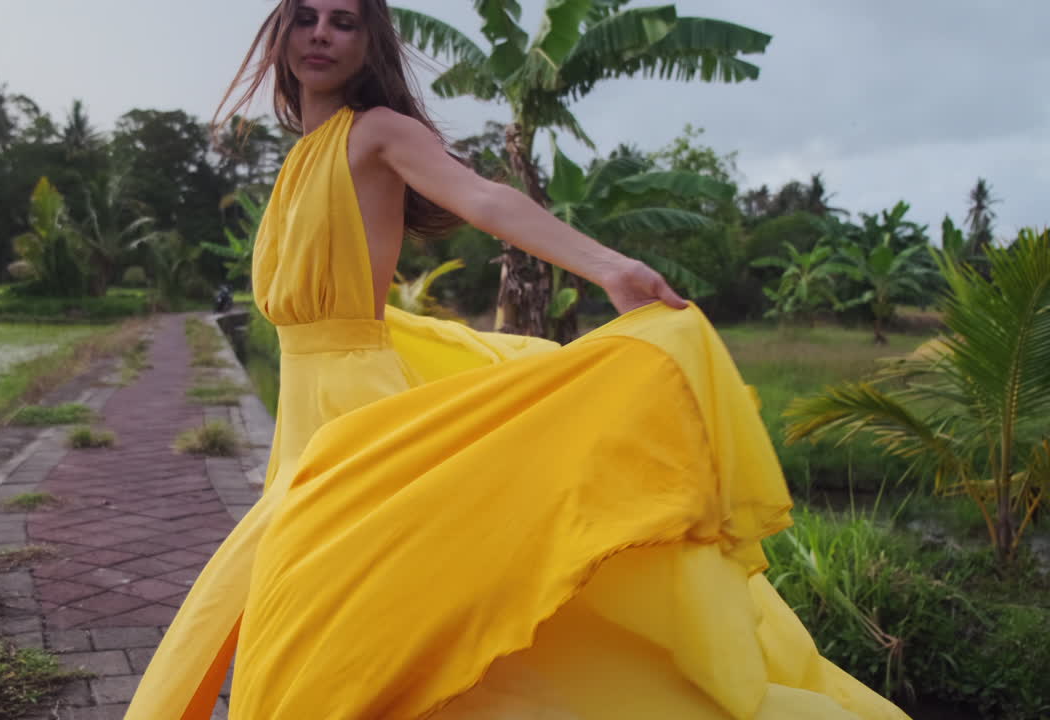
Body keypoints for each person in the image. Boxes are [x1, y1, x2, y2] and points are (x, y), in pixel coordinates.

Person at [125, 1, 911, 718]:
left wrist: (607, 266)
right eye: (306, 18)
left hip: (355, 412)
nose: (322, 34)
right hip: (310, 409)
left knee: (348, 612)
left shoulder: (379, 132)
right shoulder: (303, 154)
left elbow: (486, 200)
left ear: (371, 45)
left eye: (344, 21)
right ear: (282, 36)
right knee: (353, 610)